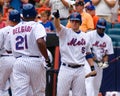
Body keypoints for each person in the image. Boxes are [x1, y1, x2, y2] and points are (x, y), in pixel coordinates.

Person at [4, 3, 51, 96]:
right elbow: (40, 41)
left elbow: (8, 49)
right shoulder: (37, 25)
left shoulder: (14, 29)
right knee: (39, 93)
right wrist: (46, 58)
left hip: (19, 61)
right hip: (35, 60)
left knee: (19, 93)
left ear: (22, 15)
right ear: (35, 14)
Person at [53, 10, 96, 96]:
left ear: (80, 22)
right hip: (66, 68)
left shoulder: (85, 36)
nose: (74, 23)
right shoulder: (65, 32)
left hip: (80, 69)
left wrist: (92, 68)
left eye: (76, 21)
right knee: (61, 94)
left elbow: (88, 53)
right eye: (72, 20)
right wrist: (57, 18)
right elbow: (57, 25)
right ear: (70, 21)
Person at [85, 18, 114, 96]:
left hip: (99, 64)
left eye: (102, 28)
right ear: (96, 26)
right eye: (99, 27)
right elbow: (88, 52)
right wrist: (98, 62)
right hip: (89, 63)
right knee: (89, 82)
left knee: (96, 86)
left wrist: (105, 62)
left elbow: (106, 54)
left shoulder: (108, 39)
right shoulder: (89, 35)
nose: (100, 29)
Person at [0, 9, 20, 96]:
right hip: (18, 60)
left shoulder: (3, 30)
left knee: (2, 87)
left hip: (5, 58)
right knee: (16, 86)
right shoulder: (21, 30)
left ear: (9, 19)